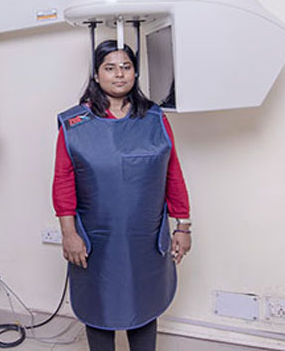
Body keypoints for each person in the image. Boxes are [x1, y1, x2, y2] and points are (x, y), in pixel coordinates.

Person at [52, 39, 191, 351]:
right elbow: (63, 182)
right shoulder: (74, 124)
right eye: (110, 68)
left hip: (146, 238)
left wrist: (183, 226)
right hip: (97, 239)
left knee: (144, 304)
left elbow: (173, 173)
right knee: (98, 307)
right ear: (96, 74)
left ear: (135, 73)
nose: (119, 74)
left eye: (126, 67)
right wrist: (69, 234)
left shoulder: (154, 118)